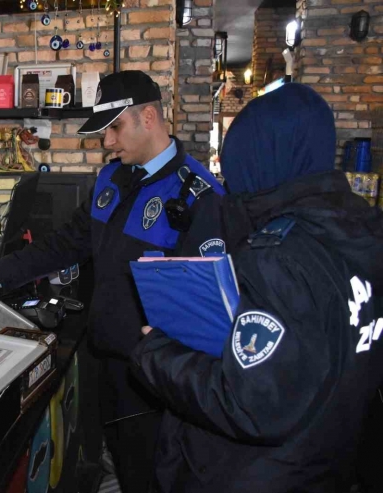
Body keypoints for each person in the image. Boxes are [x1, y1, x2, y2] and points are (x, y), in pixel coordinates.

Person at [0, 70, 226, 492]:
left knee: (153, 475)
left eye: (115, 128)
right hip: (104, 359)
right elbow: (65, 244)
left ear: (149, 117)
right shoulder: (111, 180)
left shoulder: (198, 196)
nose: (107, 142)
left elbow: (211, 310)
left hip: (157, 378)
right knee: (113, 457)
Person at [127, 83, 383, 491]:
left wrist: (155, 351)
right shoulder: (361, 230)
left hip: (256, 473)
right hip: (328, 460)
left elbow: (248, 401)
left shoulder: (278, 257)